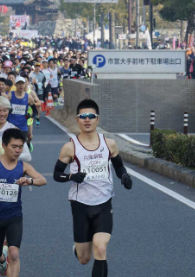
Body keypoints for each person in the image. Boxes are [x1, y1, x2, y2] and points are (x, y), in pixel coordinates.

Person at [54, 99, 132, 277]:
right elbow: (57, 174)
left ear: (97, 119)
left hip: (104, 203)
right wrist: (72, 177)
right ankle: (79, 249)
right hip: (80, 204)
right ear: (77, 119)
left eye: (91, 116)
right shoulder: (70, 147)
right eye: (83, 116)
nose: (87, 119)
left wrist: (124, 177)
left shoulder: (109, 144)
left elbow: (119, 166)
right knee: (84, 258)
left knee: (101, 247)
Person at [0, 128, 45, 277]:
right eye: (14, 146)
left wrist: (29, 180)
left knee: (14, 254)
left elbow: (42, 180)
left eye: (20, 147)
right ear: (4, 146)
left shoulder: (23, 166)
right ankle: (1, 259)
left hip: (14, 217)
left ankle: (8, 257)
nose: (18, 150)